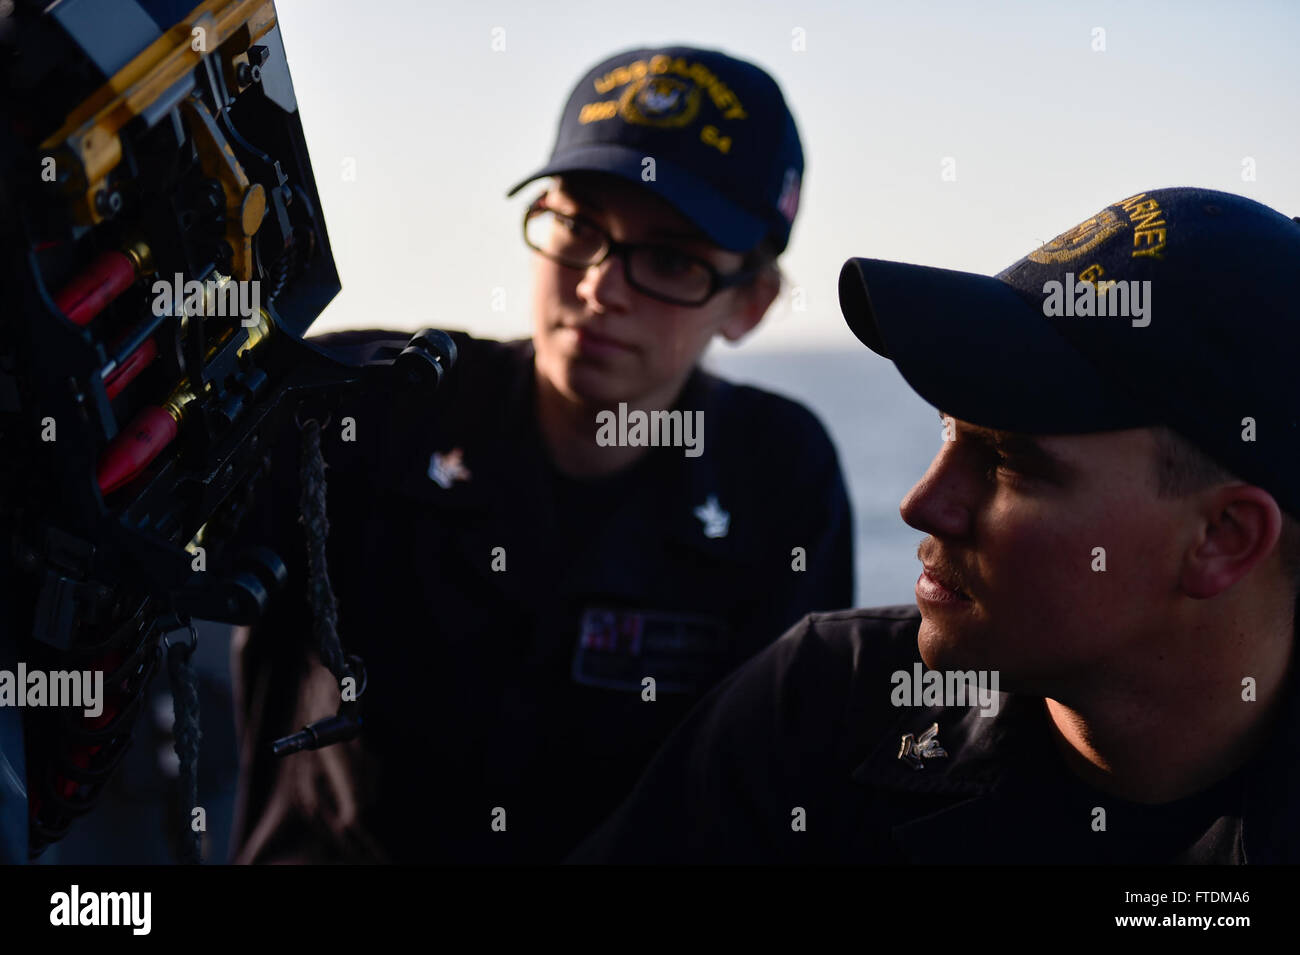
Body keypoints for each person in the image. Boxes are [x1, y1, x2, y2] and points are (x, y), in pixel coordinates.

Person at [231, 46, 853, 863]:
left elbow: (768, 797)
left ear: (752, 303)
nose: (600, 286)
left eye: (669, 259)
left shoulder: (778, 477)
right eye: (578, 226)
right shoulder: (359, 407)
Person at [570, 187, 1300, 864]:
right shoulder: (819, 709)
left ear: (1222, 538)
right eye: (947, 431)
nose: (920, 502)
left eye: (1007, 461)